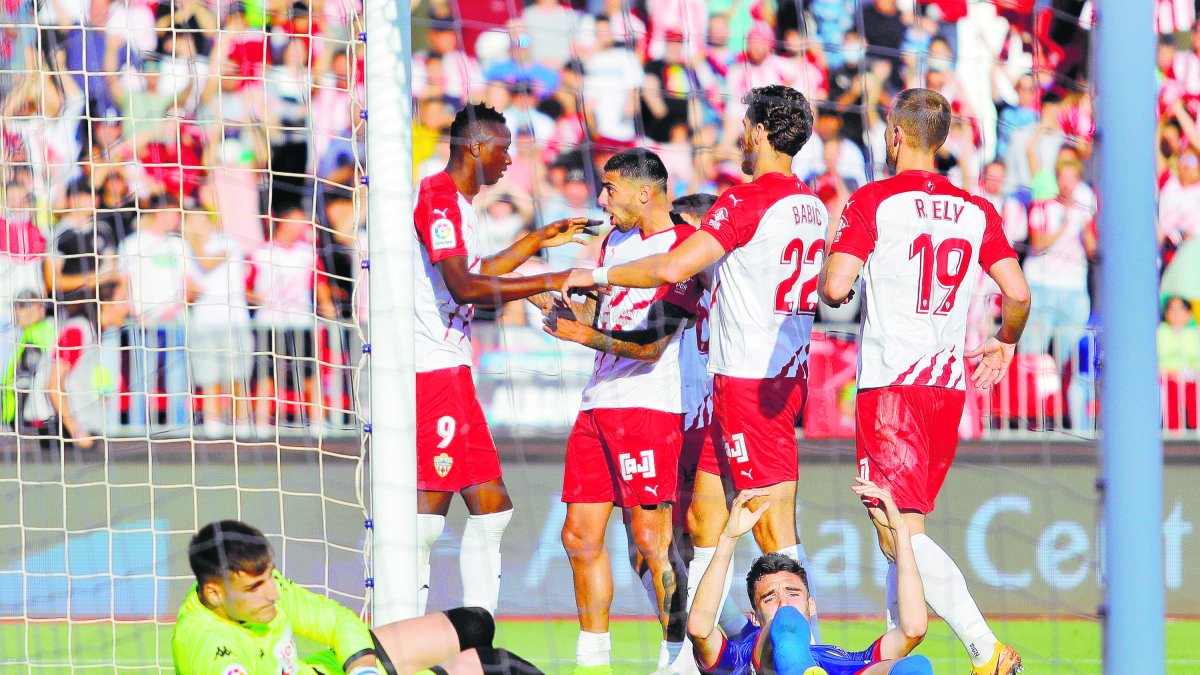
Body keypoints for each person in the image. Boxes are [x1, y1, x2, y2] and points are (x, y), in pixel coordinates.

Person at [562, 85, 830, 636]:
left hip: (750, 382)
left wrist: (596, 275)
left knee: (773, 533)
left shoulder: (745, 198)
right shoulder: (812, 205)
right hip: (760, 381)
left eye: (744, 124)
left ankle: (809, 653)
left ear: (758, 132)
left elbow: (669, 268)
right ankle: (708, 652)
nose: (739, 135)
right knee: (704, 519)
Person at [818, 88, 1030, 675]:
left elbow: (836, 289)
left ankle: (984, 649)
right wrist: (1007, 342)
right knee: (904, 527)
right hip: (946, 389)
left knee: (895, 530)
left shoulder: (875, 200)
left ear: (896, 135)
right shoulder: (976, 208)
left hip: (891, 387)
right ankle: (889, 654)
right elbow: (1018, 293)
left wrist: (834, 261)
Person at [413, 102, 595, 617]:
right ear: (475, 147)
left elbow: (480, 274)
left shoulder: (460, 207)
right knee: (427, 519)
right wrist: (547, 279)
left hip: (451, 366)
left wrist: (537, 243)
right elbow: (467, 286)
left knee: (492, 512)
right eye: (503, 148)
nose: (509, 160)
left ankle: (478, 640)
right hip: (430, 368)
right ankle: (399, 628)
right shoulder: (437, 196)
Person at [535, 149, 699, 674]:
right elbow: (593, 312)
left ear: (644, 192)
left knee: (652, 540)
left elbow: (652, 344)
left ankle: (677, 659)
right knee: (578, 537)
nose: (602, 199)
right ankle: (593, 663)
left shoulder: (683, 248)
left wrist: (582, 334)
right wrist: (543, 289)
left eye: (610, 189)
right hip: (597, 401)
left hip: (649, 406)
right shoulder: (612, 241)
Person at [172, 520, 544, 674]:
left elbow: (333, 619)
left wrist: (363, 666)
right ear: (215, 594)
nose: (273, 592)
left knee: (474, 623)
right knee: (497, 665)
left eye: (271, 578)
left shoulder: (250, 583)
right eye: (257, 588)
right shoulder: (212, 650)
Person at [688, 483, 933, 675]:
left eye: (793, 593)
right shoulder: (737, 659)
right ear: (755, 618)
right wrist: (728, 538)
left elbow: (913, 629)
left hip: (826, 667)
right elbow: (699, 629)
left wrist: (900, 532)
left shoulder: (838, 658)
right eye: (769, 598)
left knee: (914, 666)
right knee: (785, 619)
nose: (783, 602)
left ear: (812, 605)